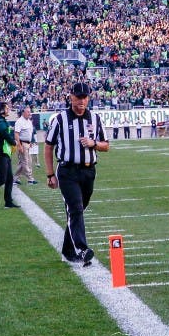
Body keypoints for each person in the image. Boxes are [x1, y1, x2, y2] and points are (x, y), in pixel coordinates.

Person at [44, 82, 109, 266]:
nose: (81, 100)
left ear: (89, 98)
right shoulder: (60, 119)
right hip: (67, 171)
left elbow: (106, 145)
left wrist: (93, 144)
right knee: (75, 209)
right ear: (70, 97)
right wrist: (50, 174)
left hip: (88, 171)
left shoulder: (95, 119)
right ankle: (82, 249)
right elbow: (48, 147)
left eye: (85, 97)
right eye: (78, 97)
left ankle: (67, 251)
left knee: (77, 212)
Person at [14, 104, 36, 185]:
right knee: (25, 162)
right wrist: (19, 145)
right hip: (22, 143)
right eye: (28, 112)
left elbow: (30, 133)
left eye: (30, 112)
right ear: (23, 112)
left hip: (27, 143)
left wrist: (30, 142)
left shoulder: (29, 121)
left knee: (23, 162)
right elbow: (16, 134)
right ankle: (30, 178)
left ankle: (15, 178)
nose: (30, 113)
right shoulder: (19, 121)